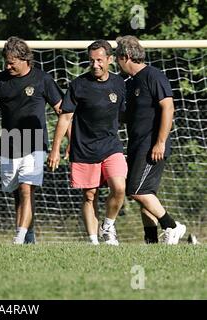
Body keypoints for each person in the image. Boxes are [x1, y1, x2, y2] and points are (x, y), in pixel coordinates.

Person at [0, 36, 62, 244]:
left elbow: (63, 111)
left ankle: (18, 238)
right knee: (18, 194)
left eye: (11, 62)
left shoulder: (43, 79)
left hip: (35, 142)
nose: (8, 66)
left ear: (25, 59)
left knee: (27, 188)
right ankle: (28, 238)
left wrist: (60, 147)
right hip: (9, 143)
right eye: (6, 62)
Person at [47, 40, 127, 246]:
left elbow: (125, 114)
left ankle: (107, 226)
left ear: (110, 60)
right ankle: (93, 241)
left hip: (111, 146)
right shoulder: (78, 85)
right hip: (84, 148)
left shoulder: (119, 84)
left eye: (100, 60)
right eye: (91, 61)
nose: (95, 65)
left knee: (119, 187)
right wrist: (56, 150)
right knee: (90, 196)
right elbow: (65, 118)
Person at [115, 35, 186, 244]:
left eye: (117, 57)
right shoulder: (130, 83)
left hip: (152, 144)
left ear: (125, 56)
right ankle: (151, 241)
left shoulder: (153, 75)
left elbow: (168, 107)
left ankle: (172, 226)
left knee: (136, 190)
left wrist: (160, 142)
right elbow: (129, 115)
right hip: (137, 144)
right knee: (146, 194)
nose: (117, 62)